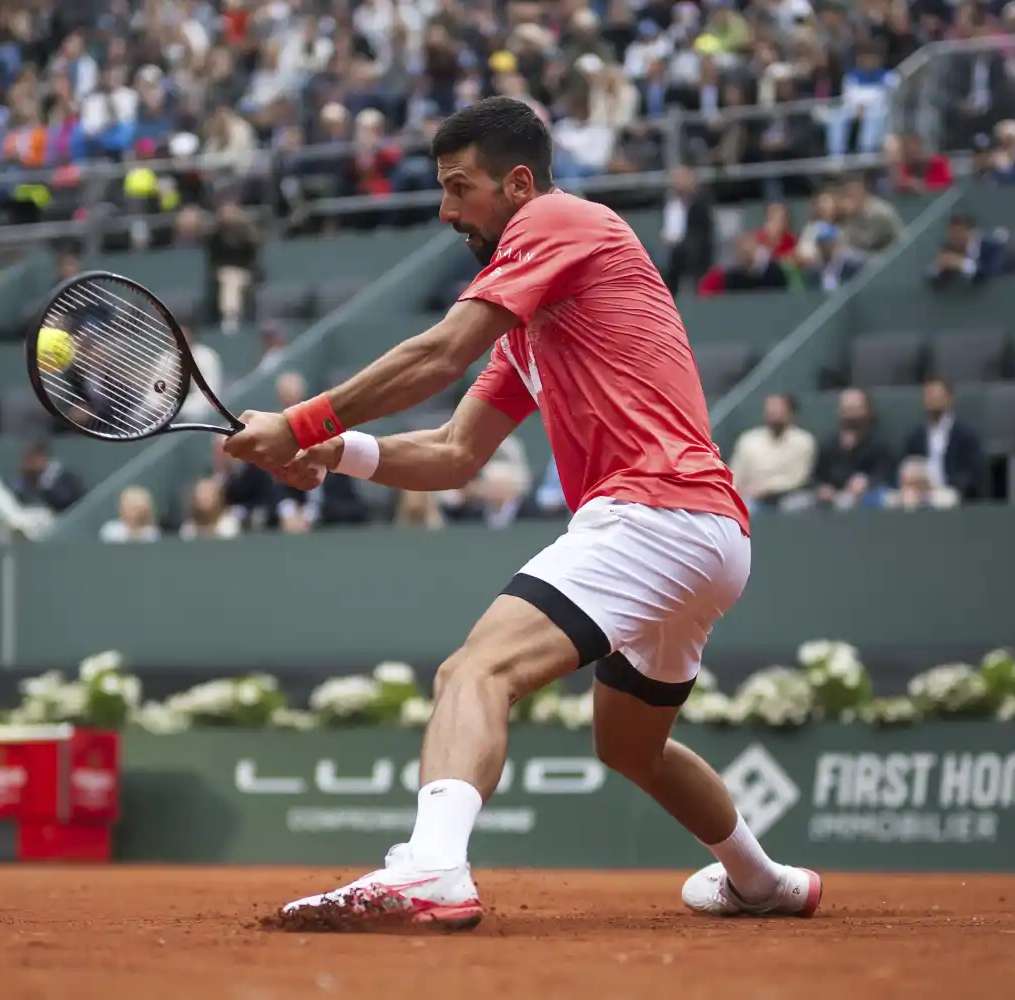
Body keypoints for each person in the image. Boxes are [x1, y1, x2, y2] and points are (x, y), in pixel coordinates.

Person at [224, 98, 820, 929]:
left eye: (458, 188)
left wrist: (302, 422)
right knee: (627, 746)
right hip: (706, 535)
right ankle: (763, 880)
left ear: (516, 184)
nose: (445, 210)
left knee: (475, 672)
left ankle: (431, 869)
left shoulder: (561, 218)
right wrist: (337, 453)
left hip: (652, 515)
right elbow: (456, 452)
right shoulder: (530, 324)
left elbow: (439, 351)